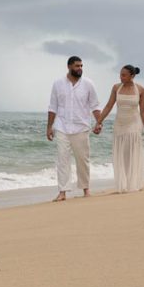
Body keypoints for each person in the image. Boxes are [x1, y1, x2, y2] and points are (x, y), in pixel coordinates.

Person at [47, 56, 102, 202]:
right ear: (69, 66)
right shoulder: (58, 84)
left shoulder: (88, 84)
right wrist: (49, 127)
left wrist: (99, 122)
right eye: (77, 66)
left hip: (81, 127)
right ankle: (62, 192)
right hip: (61, 126)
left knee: (82, 160)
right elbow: (53, 107)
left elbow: (95, 105)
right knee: (62, 159)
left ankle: (86, 189)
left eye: (82, 66)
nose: (80, 69)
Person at [96, 65, 144, 193]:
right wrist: (99, 122)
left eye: (124, 75)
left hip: (134, 124)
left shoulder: (141, 89)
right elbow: (109, 105)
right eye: (120, 74)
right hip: (119, 124)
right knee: (121, 154)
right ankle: (123, 184)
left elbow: (143, 111)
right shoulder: (116, 88)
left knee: (131, 153)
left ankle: (133, 184)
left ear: (132, 76)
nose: (121, 77)